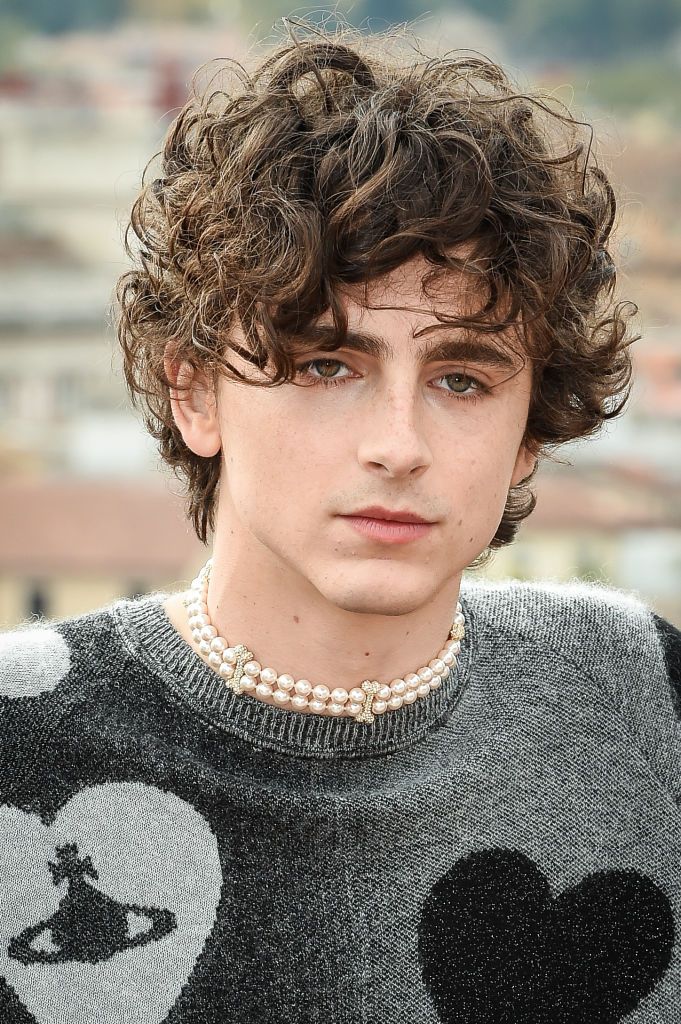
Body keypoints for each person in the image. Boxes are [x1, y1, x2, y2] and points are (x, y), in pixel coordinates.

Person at [2, 21, 680, 1022]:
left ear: (530, 430)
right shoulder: (23, 740)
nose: (397, 443)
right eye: (326, 364)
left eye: (461, 376)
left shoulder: (642, 697)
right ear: (195, 394)